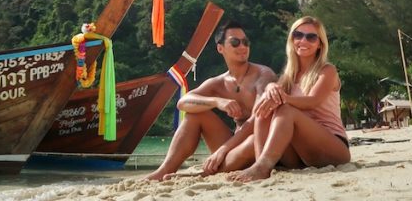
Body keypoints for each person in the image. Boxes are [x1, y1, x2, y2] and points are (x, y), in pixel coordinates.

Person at [144, 20, 277, 181]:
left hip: (257, 143)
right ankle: (164, 170)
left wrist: (223, 149)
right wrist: (216, 101)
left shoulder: (263, 74)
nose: (242, 47)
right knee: (195, 115)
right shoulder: (218, 83)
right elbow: (183, 103)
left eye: (245, 42)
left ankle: (205, 173)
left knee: (252, 140)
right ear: (220, 48)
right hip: (234, 144)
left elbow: (258, 117)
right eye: (235, 42)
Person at [228, 15, 350, 182]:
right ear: (292, 40)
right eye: (298, 35)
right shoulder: (289, 76)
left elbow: (312, 101)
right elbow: (270, 100)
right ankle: (259, 163)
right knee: (267, 106)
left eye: (311, 37)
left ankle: (261, 167)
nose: (303, 40)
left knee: (285, 110)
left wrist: (283, 98)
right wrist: (271, 88)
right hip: (302, 154)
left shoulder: (327, 70)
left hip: (333, 147)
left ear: (320, 44)